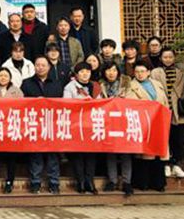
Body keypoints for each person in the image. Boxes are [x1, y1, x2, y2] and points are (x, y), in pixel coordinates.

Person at [151, 47, 184, 179]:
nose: (168, 59)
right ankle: (166, 164)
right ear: (161, 58)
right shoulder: (155, 72)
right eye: (165, 57)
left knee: (178, 139)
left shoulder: (182, 73)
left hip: (179, 111)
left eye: (170, 57)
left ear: (174, 58)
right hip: (162, 110)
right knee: (164, 138)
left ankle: (177, 164)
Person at [21, 56, 63, 194]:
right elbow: (21, 103)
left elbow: (62, 103)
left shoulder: (57, 83)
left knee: (53, 154)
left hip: (52, 123)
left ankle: (54, 182)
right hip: (34, 123)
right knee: (35, 154)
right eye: (37, 65)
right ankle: (35, 182)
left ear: (49, 67)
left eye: (43, 65)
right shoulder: (26, 83)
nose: (40, 68)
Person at [125, 61, 169, 192]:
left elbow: (165, 102)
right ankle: (143, 182)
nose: (140, 74)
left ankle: (159, 183)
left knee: (159, 153)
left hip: (159, 122)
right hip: (143, 124)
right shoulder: (131, 86)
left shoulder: (157, 84)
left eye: (143, 71)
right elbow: (130, 105)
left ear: (148, 72)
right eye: (137, 71)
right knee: (145, 154)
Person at [63, 63, 101, 194]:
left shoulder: (96, 86)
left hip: (92, 125)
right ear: (76, 74)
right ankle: (81, 182)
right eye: (82, 72)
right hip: (77, 125)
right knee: (78, 155)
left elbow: (102, 104)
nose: (85, 74)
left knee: (91, 155)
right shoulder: (70, 87)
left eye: (87, 71)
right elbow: (66, 104)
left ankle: (90, 181)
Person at [98, 62, 134, 196]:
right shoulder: (100, 85)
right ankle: (112, 180)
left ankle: (126, 181)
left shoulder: (126, 83)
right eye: (108, 70)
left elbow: (132, 99)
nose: (111, 73)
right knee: (110, 151)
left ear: (118, 71)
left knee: (126, 152)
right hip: (108, 122)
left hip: (123, 121)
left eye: (114, 70)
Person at [0, 67, 24, 193]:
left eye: (5, 76)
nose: (3, 78)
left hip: (11, 126)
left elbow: (22, 107)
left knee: (11, 154)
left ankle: (10, 181)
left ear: (10, 78)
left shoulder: (17, 91)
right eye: (0, 76)